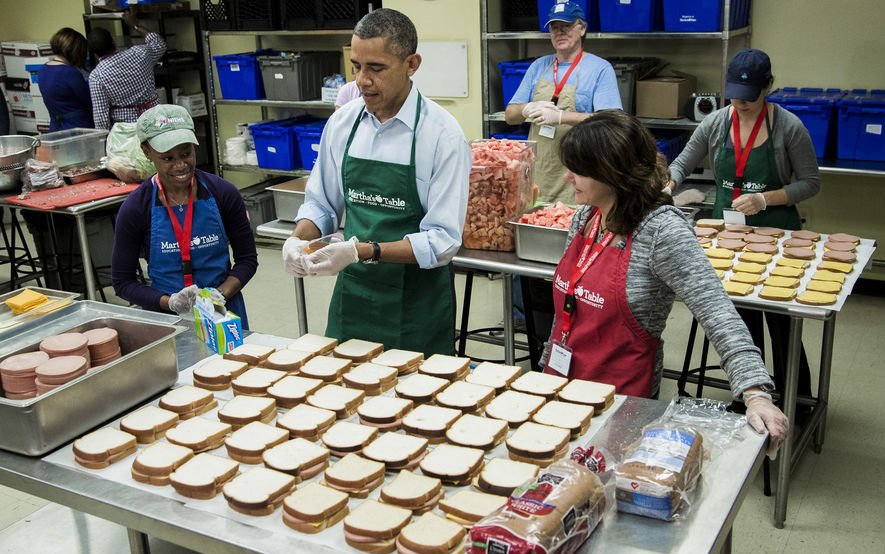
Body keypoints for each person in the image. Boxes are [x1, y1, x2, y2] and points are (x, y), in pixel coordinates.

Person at [542, 110, 788, 456]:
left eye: (579, 169)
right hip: (561, 386)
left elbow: (717, 312)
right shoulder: (586, 216)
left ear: (612, 172)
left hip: (620, 400)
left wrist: (755, 393)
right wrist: (544, 373)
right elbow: (567, 306)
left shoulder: (661, 231)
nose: (568, 177)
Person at [281, 8, 470, 356]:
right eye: (356, 66)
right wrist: (298, 239)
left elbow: (442, 240)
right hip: (353, 296)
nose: (361, 81)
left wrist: (361, 251)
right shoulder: (343, 124)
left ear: (412, 64)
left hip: (416, 306)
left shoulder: (442, 135)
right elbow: (321, 203)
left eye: (376, 68)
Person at [665, 49, 821, 401]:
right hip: (729, 233)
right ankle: (751, 393)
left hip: (777, 235)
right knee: (739, 320)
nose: (740, 103)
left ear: (768, 87)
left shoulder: (789, 128)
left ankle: (798, 397)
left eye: (748, 97)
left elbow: (811, 182)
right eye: (734, 94)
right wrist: (669, 183)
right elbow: (683, 162)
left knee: (781, 321)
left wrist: (765, 199)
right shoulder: (718, 122)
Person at [110, 104, 257, 326]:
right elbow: (123, 282)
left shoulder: (223, 193)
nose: (180, 165)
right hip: (166, 319)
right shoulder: (136, 208)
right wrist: (170, 303)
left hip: (222, 312)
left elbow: (247, 259)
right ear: (146, 152)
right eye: (167, 158)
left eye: (186, 153)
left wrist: (220, 295)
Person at [504, 0, 622, 206]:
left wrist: (561, 117)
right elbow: (510, 115)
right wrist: (527, 109)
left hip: (581, 174)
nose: (560, 32)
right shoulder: (538, 66)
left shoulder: (599, 69)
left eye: (567, 26)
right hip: (539, 174)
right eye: (554, 27)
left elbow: (612, 122)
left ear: (582, 28)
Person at [88, 7, 165, 130]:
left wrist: (107, 141)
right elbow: (159, 44)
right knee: (158, 148)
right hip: (156, 121)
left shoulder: (96, 76)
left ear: (94, 53)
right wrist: (136, 25)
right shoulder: (140, 53)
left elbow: (101, 117)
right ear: (113, 41)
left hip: (128, 130)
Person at [38, 28, 93, 131]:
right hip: (78, 128)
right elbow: (89, 101)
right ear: (75, 50)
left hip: (56, 127)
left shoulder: (43, 70)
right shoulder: (70, 73)